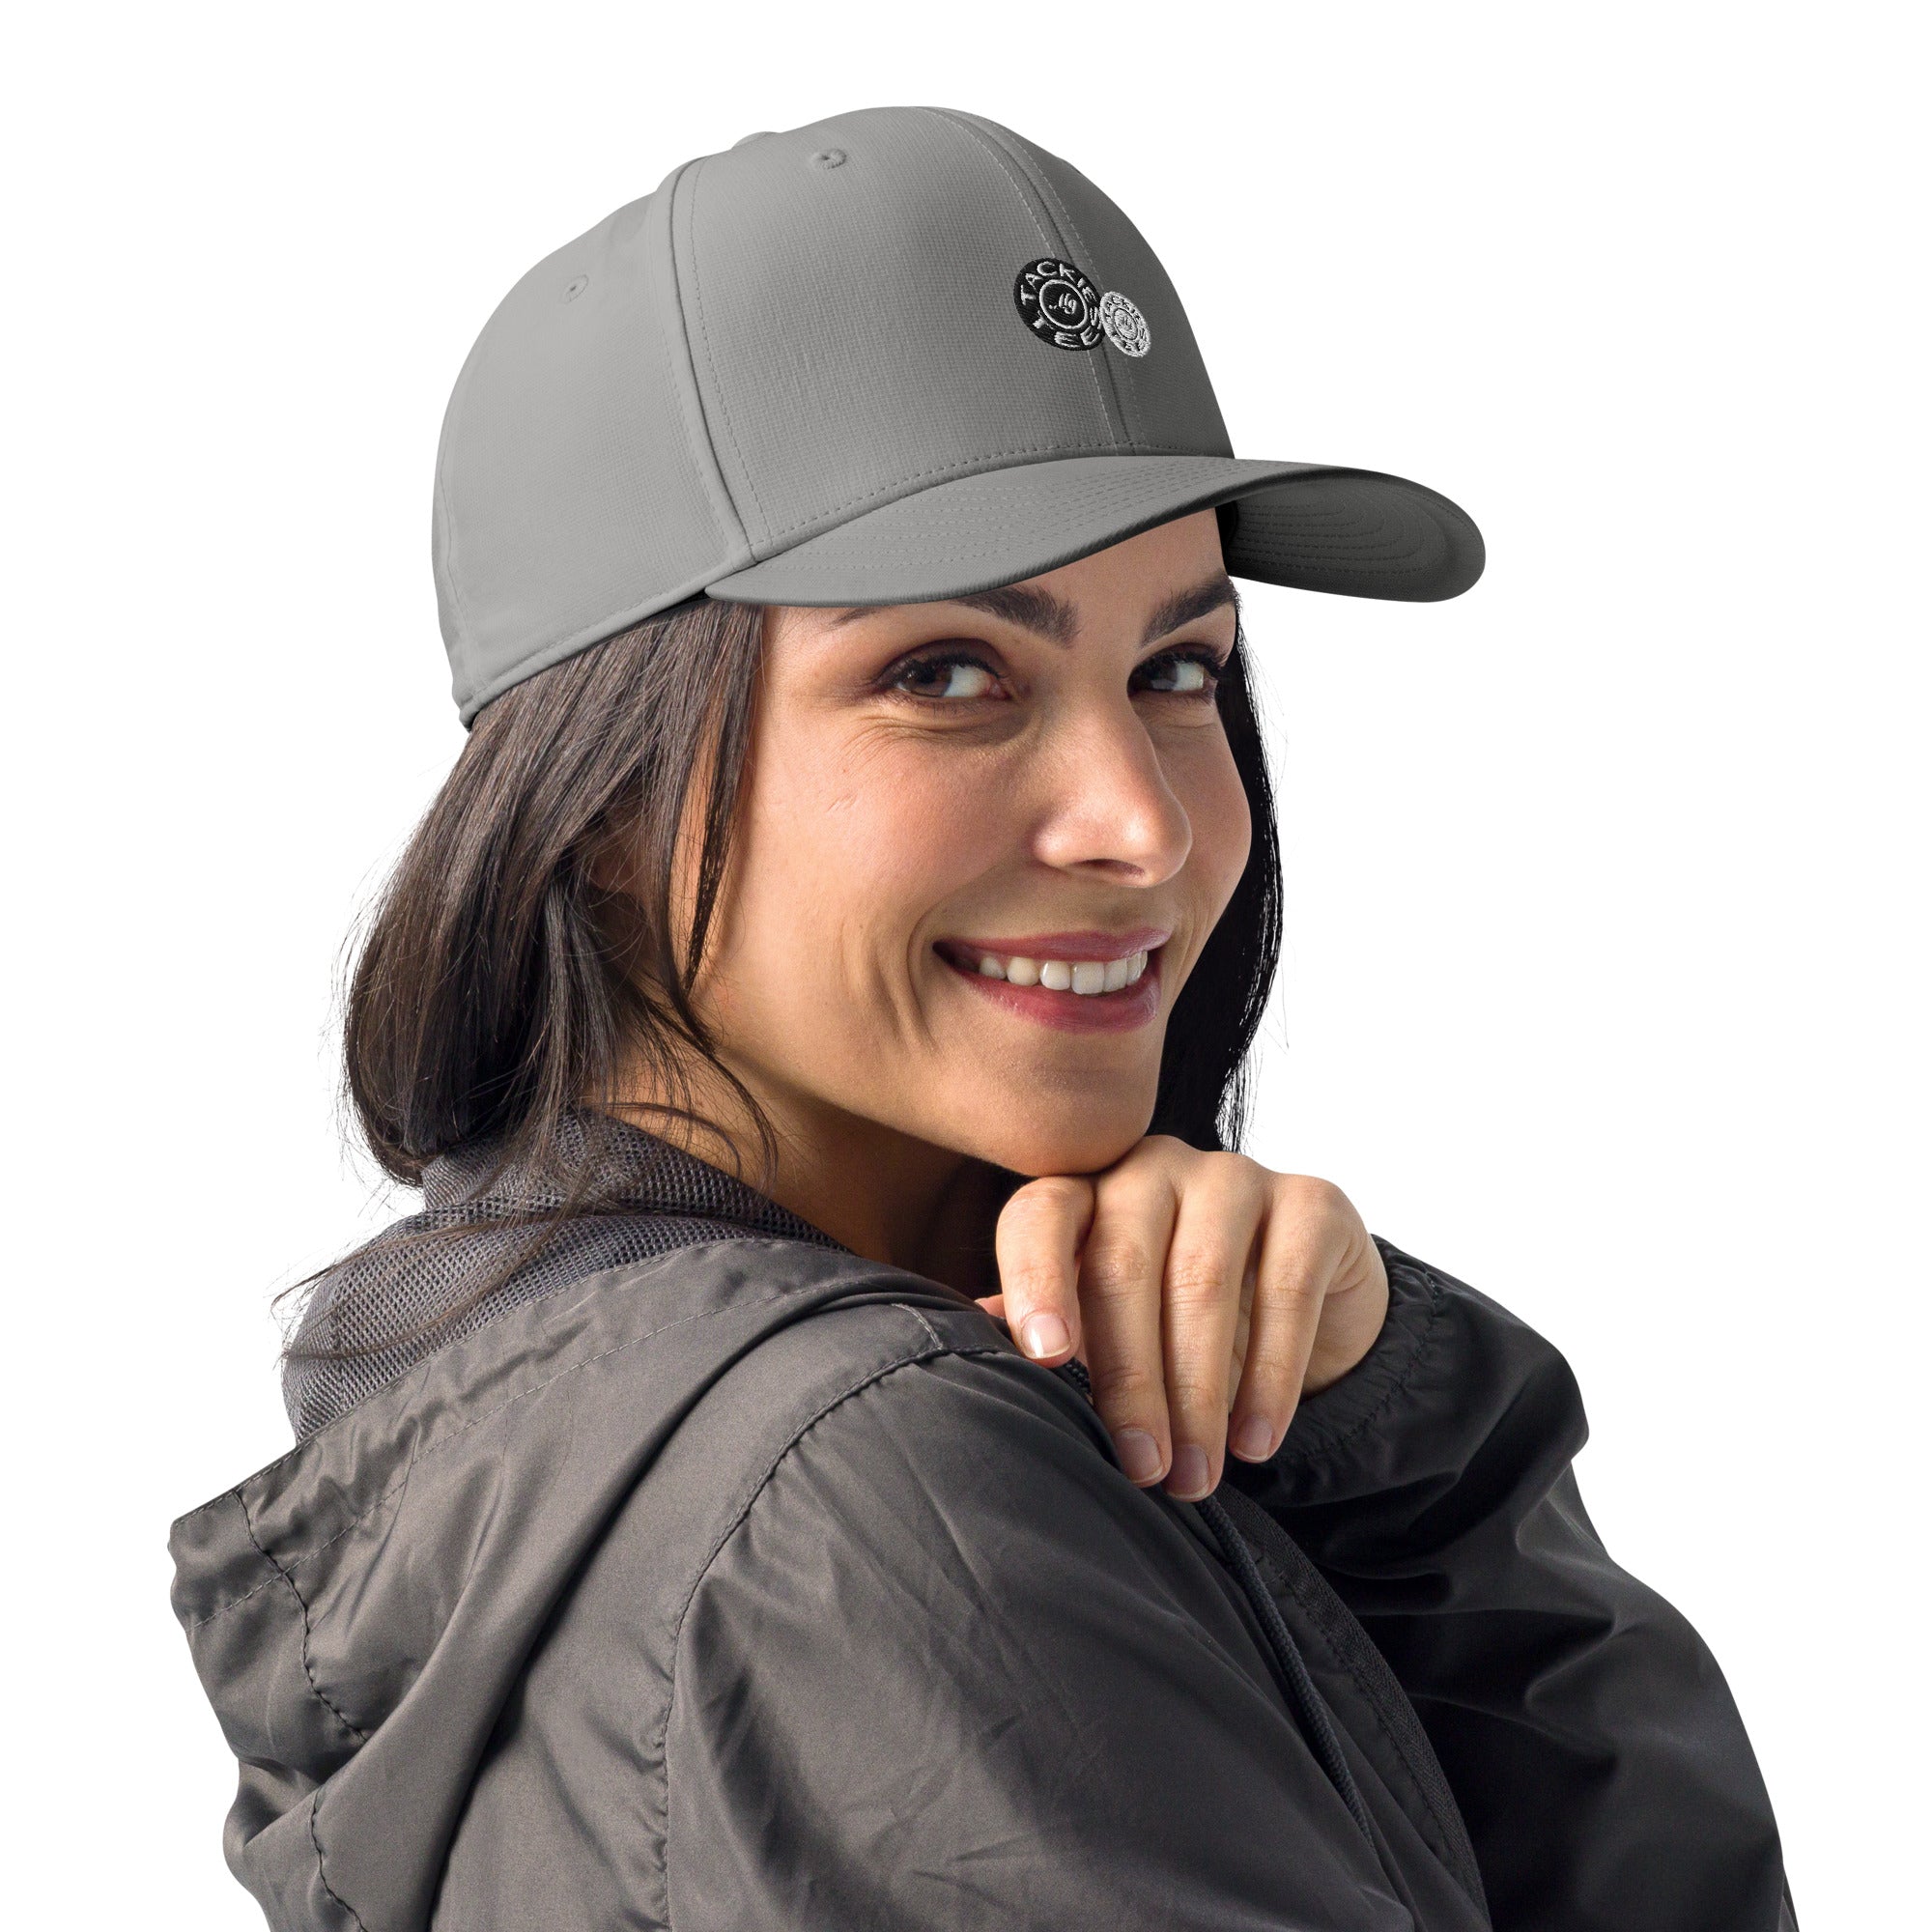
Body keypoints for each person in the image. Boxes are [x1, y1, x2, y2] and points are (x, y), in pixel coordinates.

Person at [169, 106, 1796, 1930]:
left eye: (1179, 668)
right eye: (946, 673)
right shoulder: (866, 1495)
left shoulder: (577, 1447)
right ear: (600, 800)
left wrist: (1375, 1437)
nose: (1144, 823)